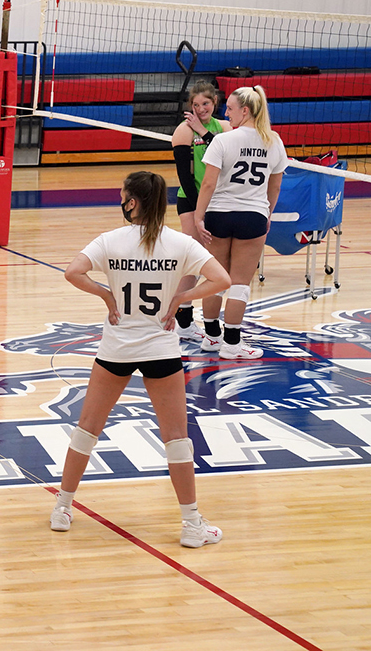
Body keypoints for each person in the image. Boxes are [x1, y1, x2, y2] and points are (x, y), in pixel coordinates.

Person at [53, 171, 230, 547]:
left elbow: (73, 272)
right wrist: (181, 299)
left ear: (132, 202)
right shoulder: (180, 244)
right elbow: (222, 280)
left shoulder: (110, 241)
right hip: (160, 349)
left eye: (123, 196)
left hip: (116, 348)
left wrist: (105, 295)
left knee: (87, 428)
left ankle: (62, 508)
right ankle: (191, 525)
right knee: (177, 438)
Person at [194, 86, 286, 359]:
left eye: (230, 109)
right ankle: (232, 344)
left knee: (214, 278)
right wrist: (267, 214)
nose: (226, 113)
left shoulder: (223, 140)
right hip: (252, 217)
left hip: (219, 214)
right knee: (239, 283)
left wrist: (199, 217)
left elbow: (209, 183)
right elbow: (276, 185)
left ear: (245, 111)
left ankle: (211, 338)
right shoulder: (274, 141)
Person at [170, 81, 231, 342]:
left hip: (220, 200)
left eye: (205, 103)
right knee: (194, 259)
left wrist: (203, 132)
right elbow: (185, 177)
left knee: (211, 260)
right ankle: (183, 319)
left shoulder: (225, 128)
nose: (201, 108)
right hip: (191, 200)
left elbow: (230, 156)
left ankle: (199, 320)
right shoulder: (183, 131)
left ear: (215, 103)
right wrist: (199, 211)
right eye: (195, 105)